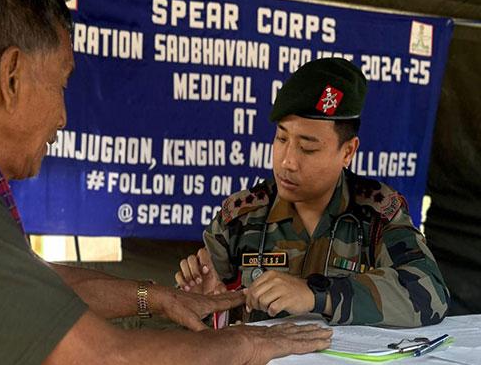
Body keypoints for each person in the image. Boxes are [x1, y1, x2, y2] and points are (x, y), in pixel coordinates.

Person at [0, 0, 332, 365]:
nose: (62, 117)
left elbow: (30, 285)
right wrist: (244, 344)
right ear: (12, 76)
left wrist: (155, 297)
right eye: (60, 84)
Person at [176, 58, 450, 328]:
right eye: (281, 139)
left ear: (348, 151)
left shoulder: (375, 214)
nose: (287, 162)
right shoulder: (241, 217)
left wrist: (318, 294)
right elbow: (202, 316)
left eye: (307, 148)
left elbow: (430, 295)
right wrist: (201, 304)